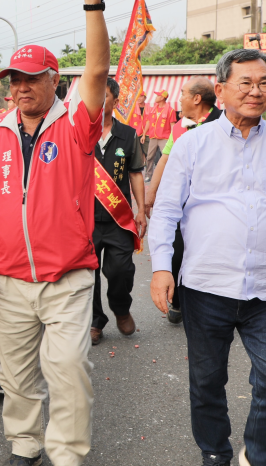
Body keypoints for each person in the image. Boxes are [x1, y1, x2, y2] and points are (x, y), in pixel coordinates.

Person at [0, 0, 124, 466]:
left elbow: (98, 69)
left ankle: (68, 453)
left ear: (55, 80)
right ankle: (25, 445)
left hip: (66, 280)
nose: (21, 87)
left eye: (32, 78)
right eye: (14, 79)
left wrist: (91, 1)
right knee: (15, 374)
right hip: (9, 279)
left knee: (69, 369)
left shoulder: (77, 125)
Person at [149, 48, 266, 466]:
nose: (256, 92)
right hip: (207, 285)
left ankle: (260, 455)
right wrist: (159, 268)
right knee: (207, 380)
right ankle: (214, 452)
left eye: (264, 83)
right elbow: (167, 209)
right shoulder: (192, 143)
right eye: (245, 83)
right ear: (221, 89)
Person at [143, 77, 221, 324]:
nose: (180, 99)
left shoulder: (225, 124)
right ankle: (177, 301)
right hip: (181, 201)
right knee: (176, 252)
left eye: (184, 94)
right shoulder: (179, 127)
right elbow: (164, 159)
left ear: (197, 99)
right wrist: (151, 192)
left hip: (212, 205)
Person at [90, 77, 147, 345]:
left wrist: (140, 211)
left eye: (103, 96)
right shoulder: (78, 134)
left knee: (121, 271)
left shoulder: (129, 135)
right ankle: (94, 321)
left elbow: (135, 173)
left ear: (115, 100)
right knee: (86, 274)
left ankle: (121, 308)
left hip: (118, 218)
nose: (97, 101)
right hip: (85, 218)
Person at [144, 90, 175, 181]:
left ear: (162, 98)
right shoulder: (153, 109)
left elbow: (172, 125)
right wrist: (144, 134)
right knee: (149, 157)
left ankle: (169, 175)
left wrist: (173, 138)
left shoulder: (170, 110)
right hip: (153, 137)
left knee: (166, 157)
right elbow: (148, 122)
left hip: (164, 138)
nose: (156, 97)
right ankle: (148, 175)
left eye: (157, 96)